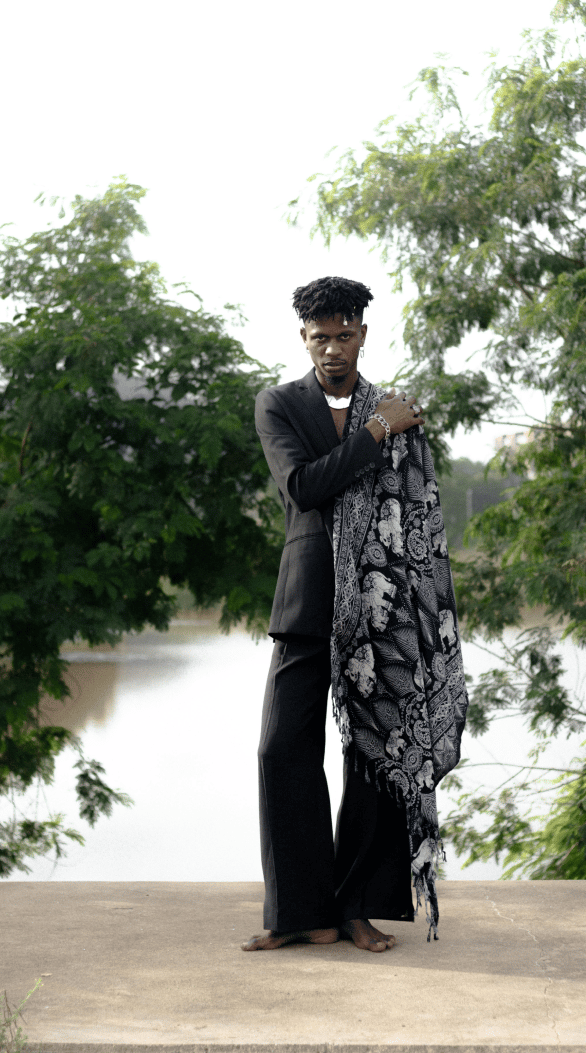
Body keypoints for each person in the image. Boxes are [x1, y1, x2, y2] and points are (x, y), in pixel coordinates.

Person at [242, 276, 466, 953]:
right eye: (320, 338)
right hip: (309, 601)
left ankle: (356, 909)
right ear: (303, 338)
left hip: (383, 606)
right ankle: (297, 914)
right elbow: (305, 487)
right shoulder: (281, 405)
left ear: (362, 333)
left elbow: (418, 509)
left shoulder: (395, 407)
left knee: (375, 759)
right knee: (282, 750)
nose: (332, 349)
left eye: (343, 336)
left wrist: (387, 424)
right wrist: (375, 431)